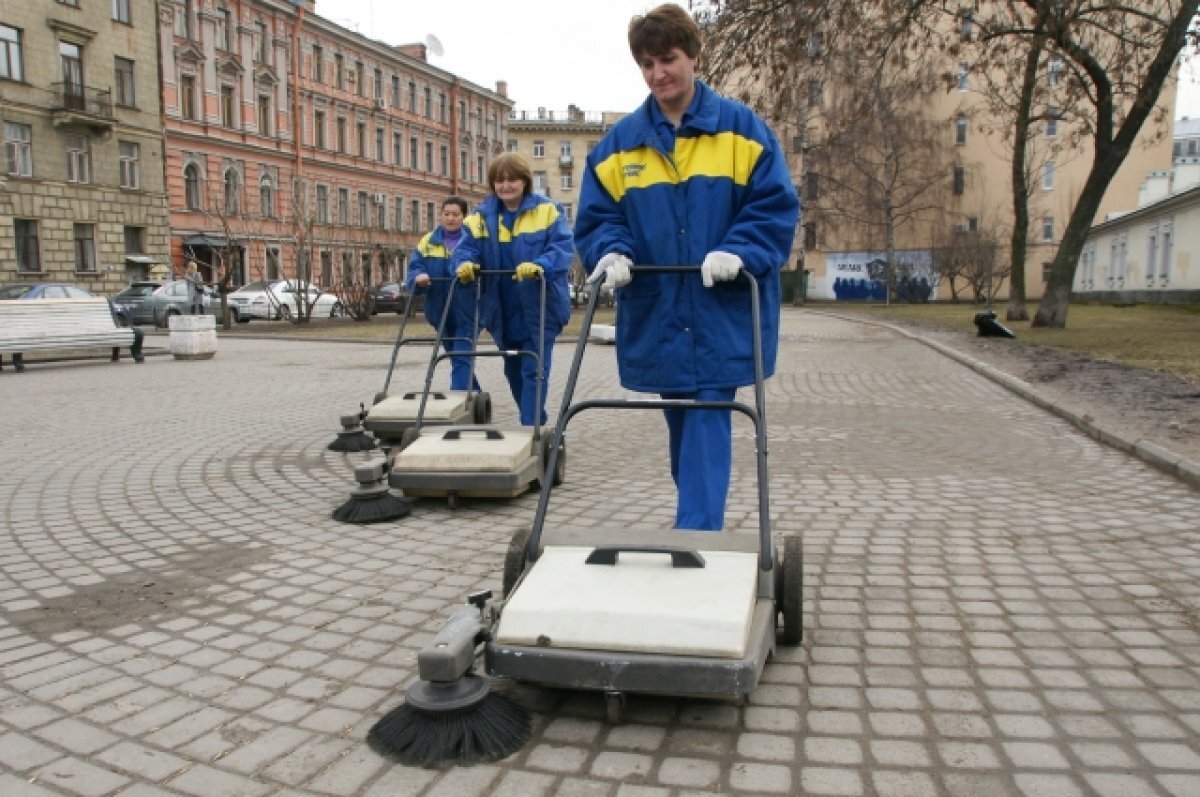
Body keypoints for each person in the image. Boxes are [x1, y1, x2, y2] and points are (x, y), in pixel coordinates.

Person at [574, 3, 800, 531]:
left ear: (694, 55)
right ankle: (697, 517)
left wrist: (739, 251)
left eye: (668, 59)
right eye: (647, 64)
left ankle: (696, 535)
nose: (658, 74)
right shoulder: (618, 146)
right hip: (661, 313)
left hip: (720, 311)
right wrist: (611, 251)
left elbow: (773, 208)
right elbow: (600, 217)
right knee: (684, 423)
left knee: (706, 415)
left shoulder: (743, 132)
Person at [452, 153, 573, 426]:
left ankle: (529, 429)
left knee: (534, 370)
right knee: (513, 369)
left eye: (512, 180)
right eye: (499, 180)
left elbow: (562, 249)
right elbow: (465, 249)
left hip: (540, 305)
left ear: (525, 181)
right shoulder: (480, 218)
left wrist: (540, 264)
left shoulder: (548, 211)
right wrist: (464, 264)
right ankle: (535, 421)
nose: (506, 186)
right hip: (502, 307)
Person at [406, 196, 481, 392]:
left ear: (464, 216)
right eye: (446, 214)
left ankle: (458, 402)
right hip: (440, 312)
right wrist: (418, 277)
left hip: (469, 311)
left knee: (461, 356)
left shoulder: (474, 241)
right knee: (457, 357)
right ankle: (477, 397)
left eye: (455, 214)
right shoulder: (428, 241)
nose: (450, 218)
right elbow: (415, 266)